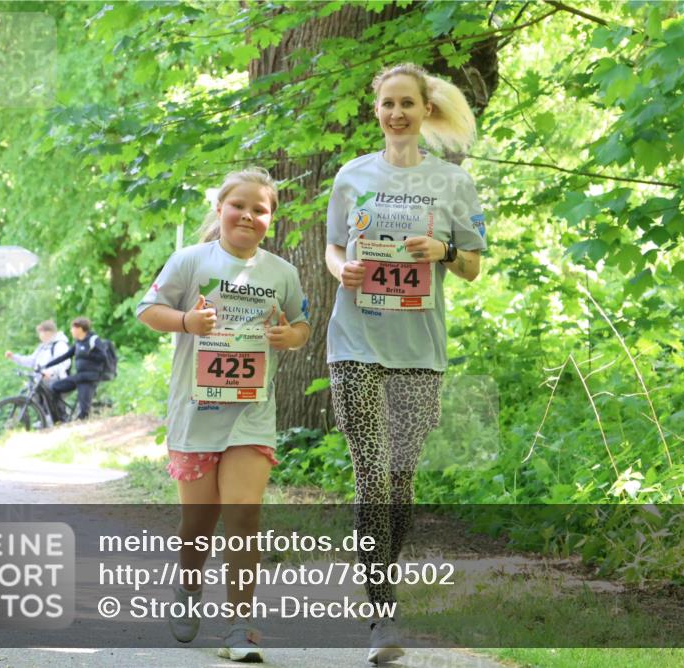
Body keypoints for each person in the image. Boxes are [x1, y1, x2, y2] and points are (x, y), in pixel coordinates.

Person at [324, 62, 487, 664]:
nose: (397, 113)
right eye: (387, 103)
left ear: (426, 110)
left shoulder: (452, 182)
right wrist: (340, 267)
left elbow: (473, 264)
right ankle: (382, 610)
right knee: (370, 471)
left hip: (420, 348)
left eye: (407, 104)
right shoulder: (351, 175)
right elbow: (334, 244)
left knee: (400, 478)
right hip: (356, 341)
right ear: (377, 111)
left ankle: (377, 579)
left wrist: (443, 250)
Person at [136, 167, 310, 662]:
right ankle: (189, 590)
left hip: (250, 415)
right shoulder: (191, 261)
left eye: (261, 209)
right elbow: (147, 310)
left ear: (270, 219)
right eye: (240, 206)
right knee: (199, 523)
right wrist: (188, 320)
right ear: (220, 209)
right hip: (195, 413)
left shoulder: (281, 272)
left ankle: (239, 624)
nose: (249, 216)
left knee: (243, 514)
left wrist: (288, 337)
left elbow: (301, 325)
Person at [43, 317, 106, 421]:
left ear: (79, 328)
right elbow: (65, 356)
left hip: (89, 378)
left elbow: (103, 357)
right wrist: (47, 365)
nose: (71, 331)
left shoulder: (93, 339)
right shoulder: (78, 342)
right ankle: (61, 416)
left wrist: (88, 354)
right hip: (79, 376)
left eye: (73, 328)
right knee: (54, 388)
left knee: (84, 413)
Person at [5, 319, 70, 384]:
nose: (39, 335)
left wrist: (50, 372)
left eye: (40, 332)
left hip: (55, 384)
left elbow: (64, 364)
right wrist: (14, 357)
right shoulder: (42, 347)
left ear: (47, 332)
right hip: (40, 384)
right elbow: (31, 361)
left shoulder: (60, 345)